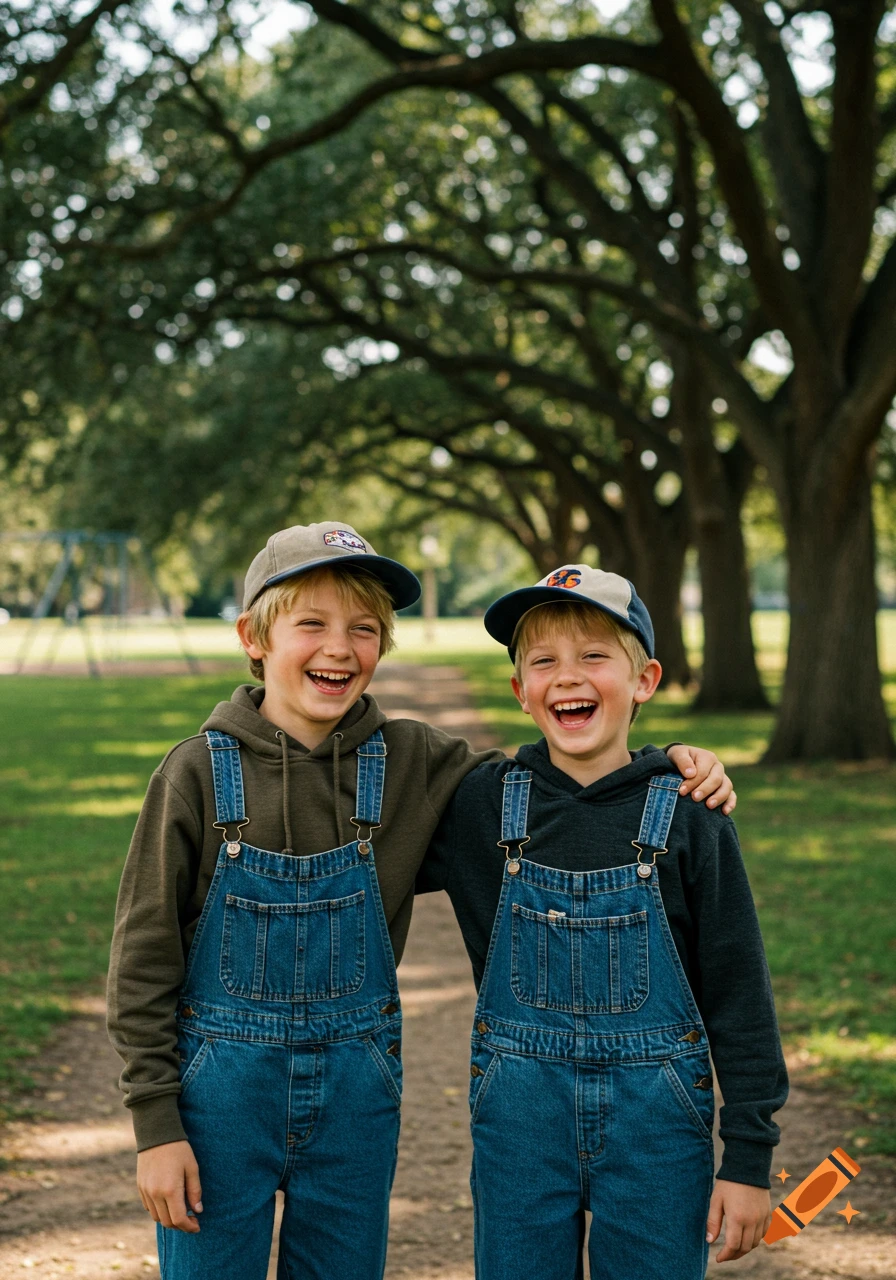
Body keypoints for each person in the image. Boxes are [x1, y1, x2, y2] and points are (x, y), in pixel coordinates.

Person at [107, 525, 735, 1280]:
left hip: (352, 1107)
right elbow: (143, 961)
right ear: (254, 637)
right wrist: (155, 1126)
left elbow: (556, 788)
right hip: (218, 1109)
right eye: (312, 623)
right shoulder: (193, 774)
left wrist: (666, 768)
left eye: (364, 630)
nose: (339, 648)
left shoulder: (415, 762)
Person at [419, 563, 788, 1280]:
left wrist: (750, 1156)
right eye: (543, 661)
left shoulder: (690, 815)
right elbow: (362, 835)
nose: (568, 676)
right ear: (520, 691)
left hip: (658, 1130)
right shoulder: (481, 808)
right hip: (521, 1127)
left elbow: (740, 990)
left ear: (644, 679)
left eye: (594, 656)